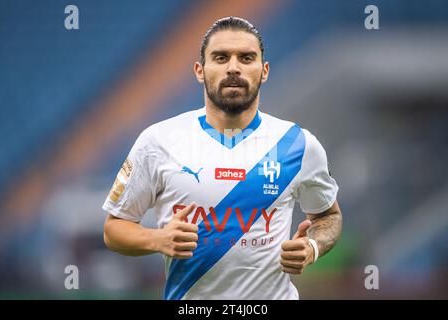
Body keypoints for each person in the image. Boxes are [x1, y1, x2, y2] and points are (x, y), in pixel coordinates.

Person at [102, 16, 342, 300]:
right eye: (220, 57)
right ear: (200, 71)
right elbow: (114, 229)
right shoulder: (158, 141)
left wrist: (312, 247)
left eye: (246, 58)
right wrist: (158, 239)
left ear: (263, 71)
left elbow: (328, 216)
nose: (233, 68)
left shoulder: (298, 144)